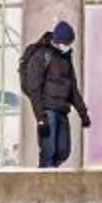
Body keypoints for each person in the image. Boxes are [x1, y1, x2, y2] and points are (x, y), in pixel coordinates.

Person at [19, 21, 90, 169]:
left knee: (64, 151)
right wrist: (40, 118)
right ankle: (45, 183)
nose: (69, 46)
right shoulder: (41, 56)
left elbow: (72, 88)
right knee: (49, 151)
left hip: (62, 110)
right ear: (58, 41)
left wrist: (83, 113)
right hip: (47, 110)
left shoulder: (66, 58)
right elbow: (34, 89)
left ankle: (49, 173)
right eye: (68, 42)